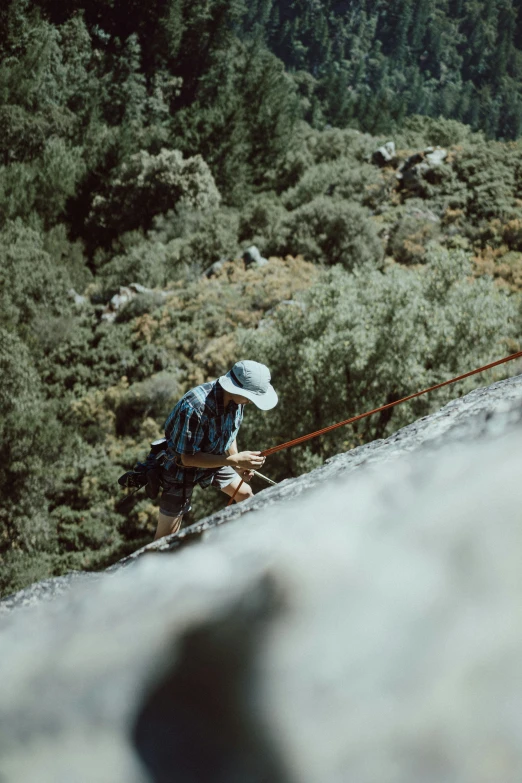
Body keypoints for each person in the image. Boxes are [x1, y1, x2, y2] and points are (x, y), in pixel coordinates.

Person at [154, 360, 278, 540]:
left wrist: (236, 461)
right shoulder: (195, 406)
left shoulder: (238, 401)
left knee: (246, 494)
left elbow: (229, 432)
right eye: (250, 397)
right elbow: (188, 458)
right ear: (236, 389)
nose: (250, 402)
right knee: (166, 536)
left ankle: (252, 539)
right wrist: (233, 461)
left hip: (215, 458)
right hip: (179, 468)